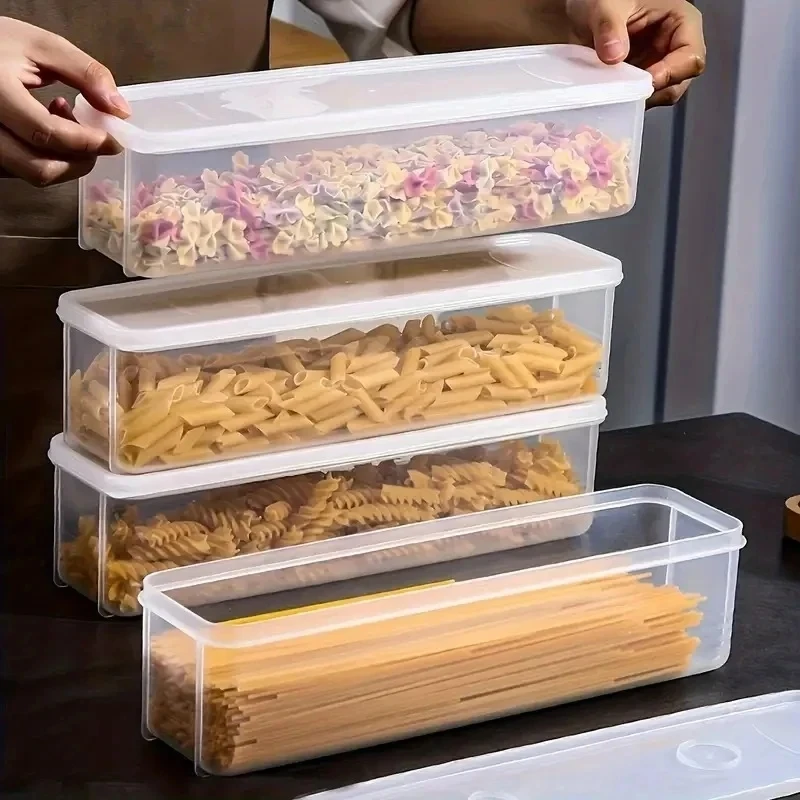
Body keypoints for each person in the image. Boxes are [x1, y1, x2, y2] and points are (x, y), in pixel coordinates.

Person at [0, 0, 704, 528]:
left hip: (234, 252)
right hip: (23, 279)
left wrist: (572, 11)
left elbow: (400, 4)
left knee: (225, 536)